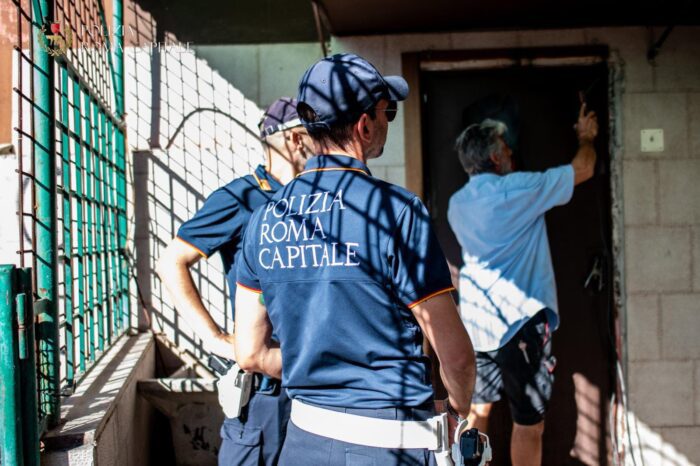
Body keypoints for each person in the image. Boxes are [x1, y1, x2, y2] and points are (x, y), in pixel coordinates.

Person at [233, 53, 477, 466]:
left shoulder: (264, 219)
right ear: (365, 126)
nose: (387, 123)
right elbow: (454, 355)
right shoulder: (397, 211)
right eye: (388, 112)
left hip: (302, 443)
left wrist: (318, 365)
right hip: (390, 446)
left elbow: (250, 352)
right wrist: (456, 411)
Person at [156, 97, 313, 466]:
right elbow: (171, 261)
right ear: (294, 140)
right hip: (264, 386)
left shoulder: (309, 200)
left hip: (306, 372)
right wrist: (214, 337)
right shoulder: (241, 196)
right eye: (315, 136)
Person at [447, 104, 598, 466]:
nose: (512, 153)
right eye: (506, 148)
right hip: (522, 325)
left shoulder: (457, 204)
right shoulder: (518, 188)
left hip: (479, 326)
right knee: (528, 425)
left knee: (477, 416)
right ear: (496, 157)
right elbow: (584, 168)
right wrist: (586, 137)